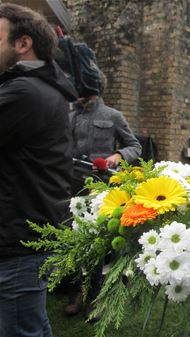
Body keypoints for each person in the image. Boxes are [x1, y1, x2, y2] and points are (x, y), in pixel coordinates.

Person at [0, 3, 77, 336]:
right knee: (30, 324)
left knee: (20, 328)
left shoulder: (25, 92)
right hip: (27, 233)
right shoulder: (38, 88)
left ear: (23, 43)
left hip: (17, 238)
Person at [65, 70, 142, 319]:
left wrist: (118, 156)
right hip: (71, 188)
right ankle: (77, 293)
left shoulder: (113, 116)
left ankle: (96, 298)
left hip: (100, 191)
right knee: (75, 243)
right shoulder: (70, 115)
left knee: (98, 246)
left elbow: (134, 145)